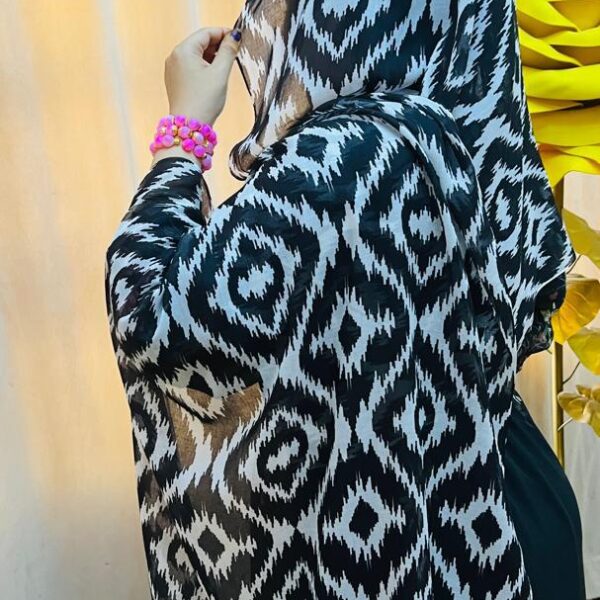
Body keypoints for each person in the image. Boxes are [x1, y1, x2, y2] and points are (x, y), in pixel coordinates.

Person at [104, 1, 587, 598]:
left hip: (434, 543)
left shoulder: (341, 162)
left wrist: (183, 131)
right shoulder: (476, 132)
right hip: (511, 503)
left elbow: (148, 312)